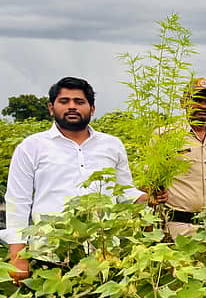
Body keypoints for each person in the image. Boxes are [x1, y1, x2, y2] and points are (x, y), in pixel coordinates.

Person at [4, 76, 149, 283]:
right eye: (64, 101)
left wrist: (148, 196)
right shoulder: (32, 147)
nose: (72, 107)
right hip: (50, 252)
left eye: (79, 102)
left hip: (104, 252)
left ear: (92, 108)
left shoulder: (112, 146)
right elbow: (18, 202)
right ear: (51, 108)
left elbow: (124, 192)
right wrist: (17, 256)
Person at [158, 78, 206, 238]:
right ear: (183, 102)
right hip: (178, 228)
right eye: (197, 100)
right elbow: (149, 186)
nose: (203, 106)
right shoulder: (164, 136)